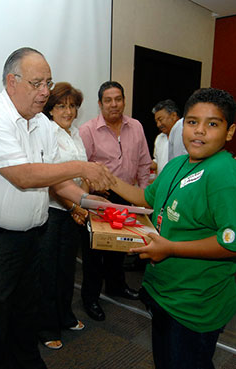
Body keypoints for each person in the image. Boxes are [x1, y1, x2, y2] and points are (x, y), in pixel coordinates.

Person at [0, 48, 114, 369]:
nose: (46, 92)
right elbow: (24, 175)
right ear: (11, 82)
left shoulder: (42, 124)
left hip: (32, 238)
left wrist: (87, 202)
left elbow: (55, 181)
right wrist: (81, 167)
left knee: (25, 319)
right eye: (37, 83)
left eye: (49, 82)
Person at [110, 87, 236, 369]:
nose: (199, 131)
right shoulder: (178, 163)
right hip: (164, 291)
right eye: (192, 122)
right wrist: (109, 180)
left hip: (195, 303)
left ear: (230, 131)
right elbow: (148, 198)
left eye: (212, 124)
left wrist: (170, 248)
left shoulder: (226, 177)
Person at [79, 81, 152, 321]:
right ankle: (90, 298)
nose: (114, 104)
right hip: (100, 197)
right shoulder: (88, 130)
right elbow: (83, 167)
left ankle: (116, 286)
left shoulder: (137, 126)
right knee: (94, 251)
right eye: (108, 100)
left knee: (120, 245)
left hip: (129, 194)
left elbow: (143, 163)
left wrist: (144, 195)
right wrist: (85, 199)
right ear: (100, 104)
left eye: (118, 99)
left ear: (124, 100)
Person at [38, 82, 88, 350]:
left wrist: (84, 200)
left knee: (68, 269)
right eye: (61, 105)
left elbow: (84, 173)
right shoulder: (47, 133)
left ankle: (65, 316)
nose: (67, 111)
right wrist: (73, 207)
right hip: (54, 212)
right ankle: (47, 327)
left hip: (75, 212)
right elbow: (51, 180)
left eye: (72, 106)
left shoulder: (76, 134)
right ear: (51, 109)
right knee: (49, 272)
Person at [151, 99, 183, 174]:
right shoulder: (159, 138)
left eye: (160, 120)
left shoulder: (186, 136)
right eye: (156, 122)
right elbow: (157, 163)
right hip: (164, 183)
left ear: (174, 116)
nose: (158, 125)